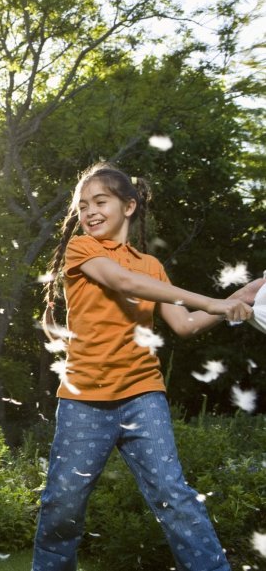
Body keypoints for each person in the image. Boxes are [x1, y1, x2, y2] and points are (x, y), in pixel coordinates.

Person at [32, 162, 264, 571]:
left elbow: (185, 325)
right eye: (83, 205)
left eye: (100, 201)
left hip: (143, 396)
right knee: (62, 503)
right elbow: (123, 282)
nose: (89, 212)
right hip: (84, 399)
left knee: (173, 496)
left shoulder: (152, 267)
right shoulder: (83, 250)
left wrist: (237, 297)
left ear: (129, 206)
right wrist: (211, 301)